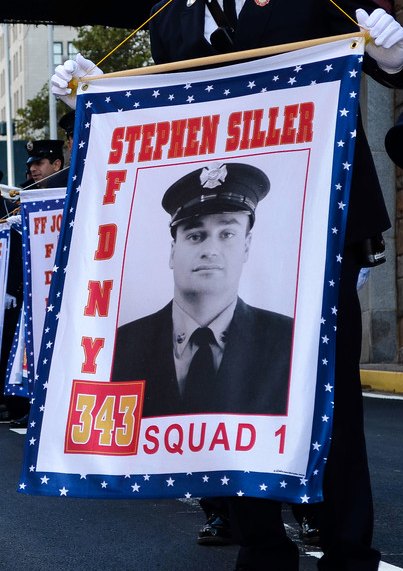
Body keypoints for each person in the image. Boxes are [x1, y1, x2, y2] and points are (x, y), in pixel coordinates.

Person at [51, 0, 403, 571]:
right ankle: (262, 564)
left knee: (327, 398)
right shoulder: (174, 18)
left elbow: (396, 65)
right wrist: (96, 94)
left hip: (316, 232)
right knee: (224, 397)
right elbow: (165, 136)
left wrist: (395, 48)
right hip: (224, 238)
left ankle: (350, 565)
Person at [112, 161, 293, 416]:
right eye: (195, 236)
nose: (210, 251)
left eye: (227, 234)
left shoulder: (288, 341)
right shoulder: (122, 345)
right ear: (173, 251)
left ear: (246, 246)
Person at [0, 165, 26, 423]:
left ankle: (12, 401)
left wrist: (11, 289)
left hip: (11, 292)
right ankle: (1, 395)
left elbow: (17, 251)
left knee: (9, 341)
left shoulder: (9, 211)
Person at [45, 111, 75, 189]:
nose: (81, 141)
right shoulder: (57, 183)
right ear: (69, 146)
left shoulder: (107, 173)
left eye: (84, 134)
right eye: (74, 136)